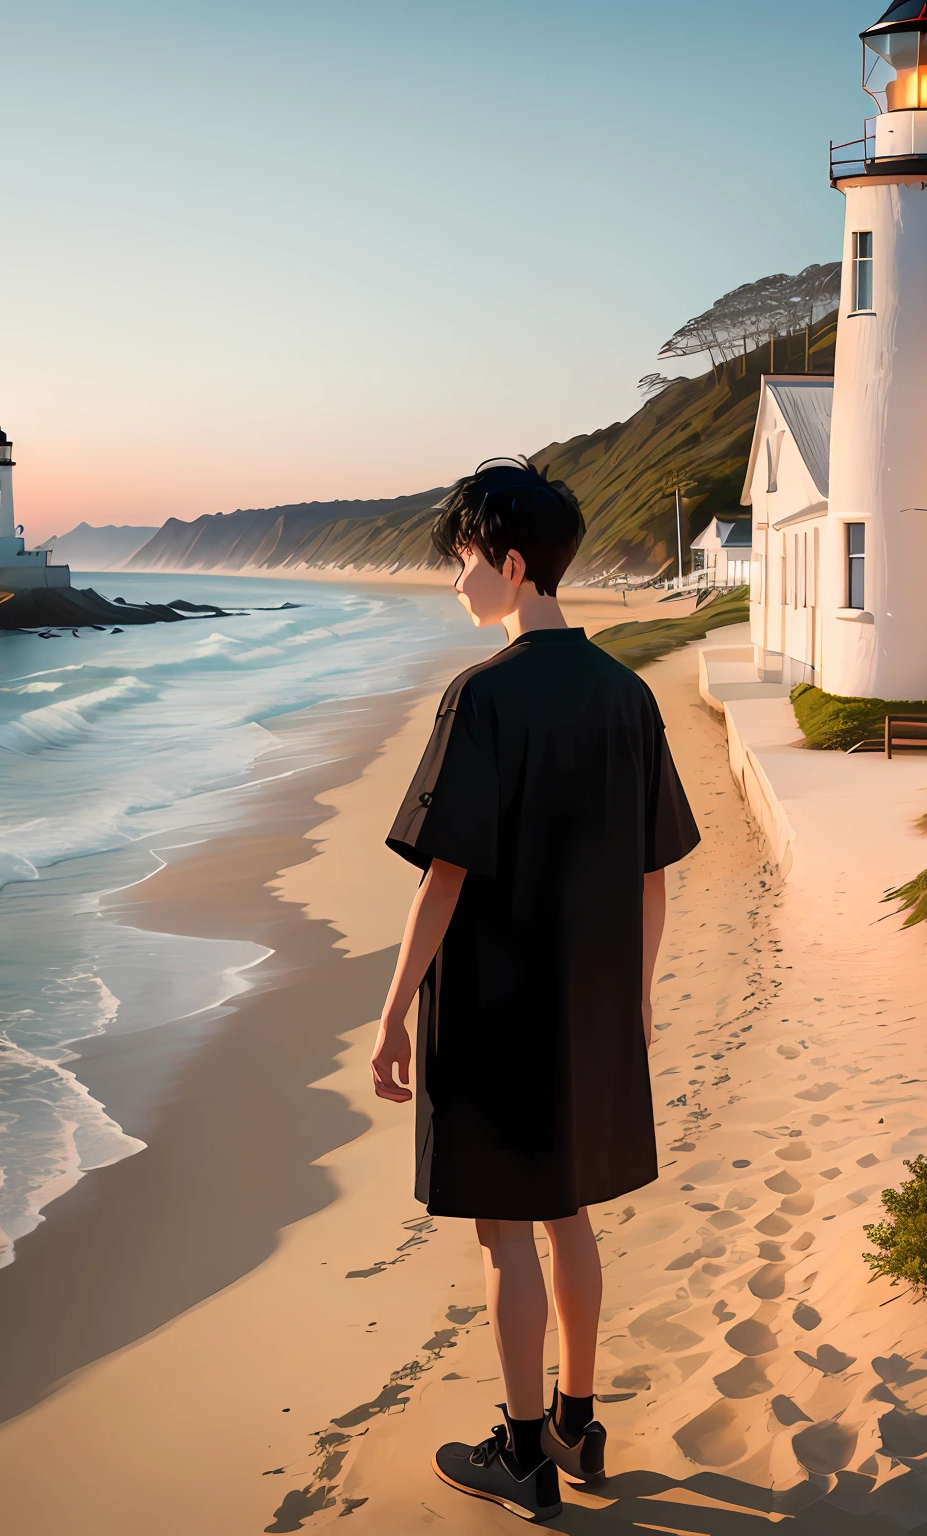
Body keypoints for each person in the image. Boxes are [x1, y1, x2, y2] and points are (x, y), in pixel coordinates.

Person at [373, 457, 699, 1522]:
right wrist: (635, 997)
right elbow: (655, 873)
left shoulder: (484, 697)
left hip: (495, 1008)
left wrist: (390, 1016)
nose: (458, 582)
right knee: (569, 1219)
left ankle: (520, 1457)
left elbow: (445, 879)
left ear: (513, 565)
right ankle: (577, 1420)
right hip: (591, 1001)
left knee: (504, 1235)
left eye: (466, 562)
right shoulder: (628, 695)